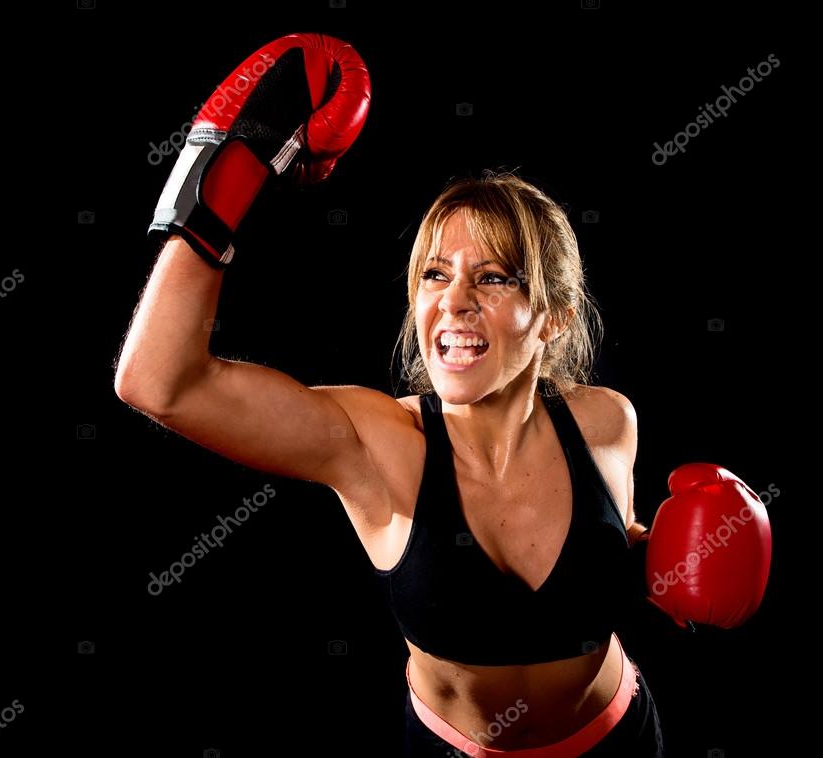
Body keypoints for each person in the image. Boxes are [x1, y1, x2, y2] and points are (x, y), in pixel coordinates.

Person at [116, 33, 770, 757]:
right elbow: (160, 382)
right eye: (434, 275)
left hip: (621, 739)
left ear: (551, 316)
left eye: (492, 277)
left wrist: (665, 559)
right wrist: (223, 167)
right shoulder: (374, 443)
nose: (453, 301)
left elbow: (610, 547)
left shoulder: (606, 421)